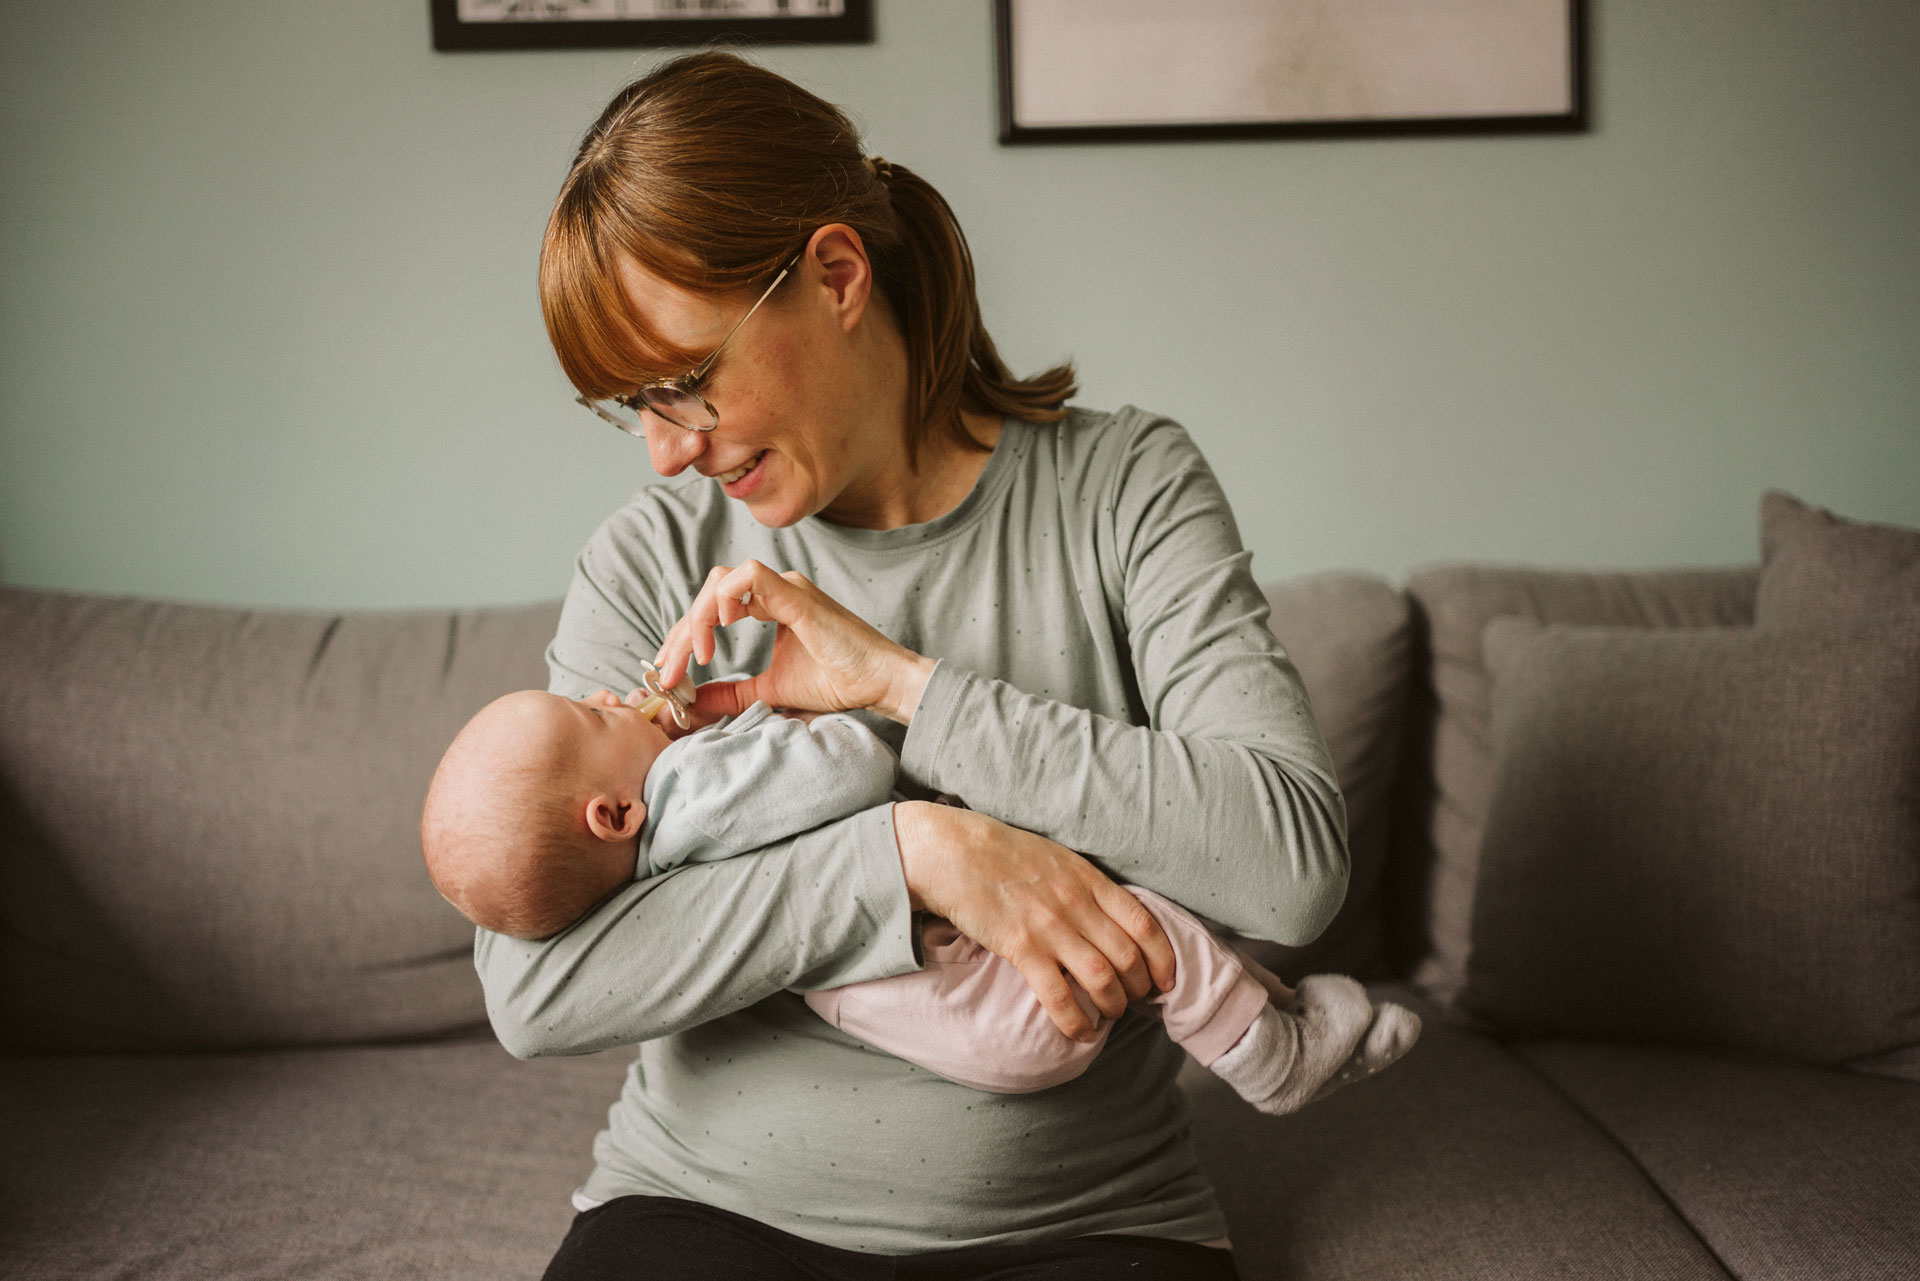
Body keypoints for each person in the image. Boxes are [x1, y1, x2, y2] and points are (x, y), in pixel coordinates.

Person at [475, 48, 1372, 1279]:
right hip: (704, 1212)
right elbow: (535, 991)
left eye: (683, 385)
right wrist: (909, 857)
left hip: (1091, 1222)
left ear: (836, 274)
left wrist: (910, 692)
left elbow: (1291, 870)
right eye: (628, 406)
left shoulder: (1123, 490)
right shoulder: (656, 558)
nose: (663, 454)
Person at [421, 685, 1417, 1104]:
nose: (606, 695)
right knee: (1148, 925)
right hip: (990, 995)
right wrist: (820, 721)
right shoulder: (690, 786)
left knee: (1155, 929)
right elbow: (843, 772)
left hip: (948, 1022)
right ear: (611, 817)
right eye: (586, 715)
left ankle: (1292, 1019)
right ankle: (1277, 1056)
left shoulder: (651, 852)